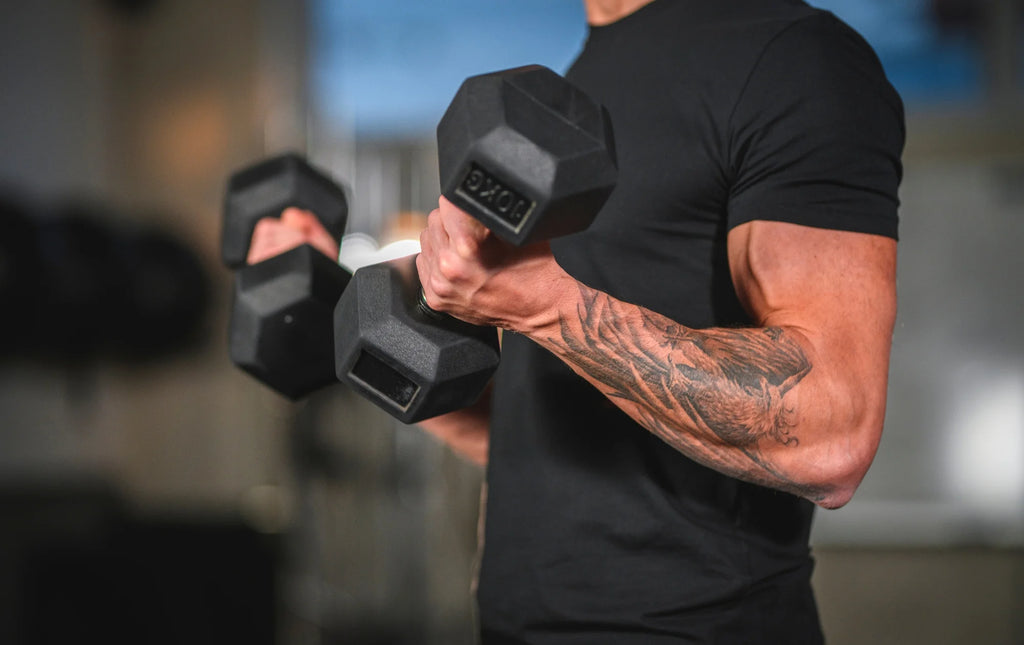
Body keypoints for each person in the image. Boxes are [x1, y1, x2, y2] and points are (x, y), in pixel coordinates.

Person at [412, 0, 905, 643]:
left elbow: (830, 428)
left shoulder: (791, 57)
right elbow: (567, 443)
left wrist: (543, 305)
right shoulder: (579, 79)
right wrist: (407, 349)